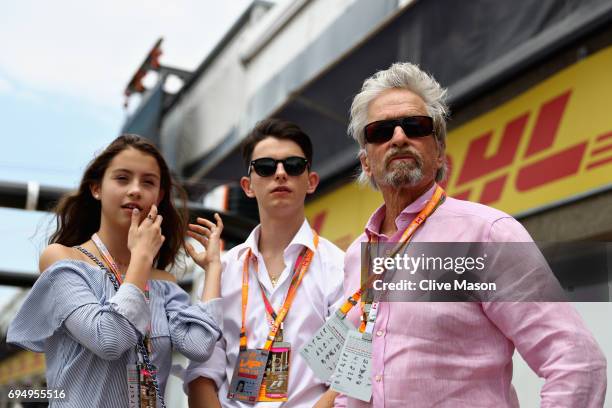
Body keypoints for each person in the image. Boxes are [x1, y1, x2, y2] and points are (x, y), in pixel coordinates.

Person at [334, 63, 607, 407]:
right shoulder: (358, 255)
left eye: (416, 126)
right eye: (381, 131)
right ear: (366, 162)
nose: (399, 137)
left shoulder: (487, 234)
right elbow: (353, 384)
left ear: (439, 154)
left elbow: (577, 362)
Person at [8, 134, 224, 408]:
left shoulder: (164, 283)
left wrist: (213, 268)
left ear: (158, 195)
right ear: (96, 188)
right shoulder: (63, 261)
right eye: (122, 178)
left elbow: (199, 346)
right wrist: (142, 260)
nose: (135, 190)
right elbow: (108, 339)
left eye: (148, 182)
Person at [185, 118, 345, 407]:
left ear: (311, 182)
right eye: (266, 167)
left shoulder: (339, 267)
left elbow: (346, 378)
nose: (280, 173)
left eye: (293, 165)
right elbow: (201, 373)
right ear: (248, 186)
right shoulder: (222, 269)